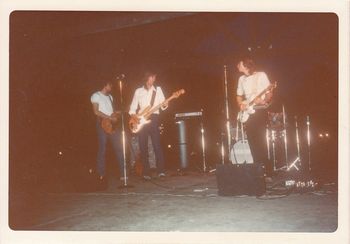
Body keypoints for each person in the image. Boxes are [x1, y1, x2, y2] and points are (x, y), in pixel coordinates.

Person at [236, 57, 273, 178]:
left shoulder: (261, 75)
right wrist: (240, 105)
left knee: (261, 141)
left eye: (240, 64)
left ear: (246, 66)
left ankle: (268, 170)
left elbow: (269, 92)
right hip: (248, 111)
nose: (237, 65)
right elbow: (239, 95)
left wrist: (263, 101)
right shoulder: (241, 79)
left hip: (259, 111)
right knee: (252, 141)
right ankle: (258, 169)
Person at [129, 71, 168, 180]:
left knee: (157, 145)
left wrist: (165, 104)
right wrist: (135, 117)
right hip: (141, 120)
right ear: (146, 78)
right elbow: (132, 108)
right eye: (151, 77)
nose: (153, 79)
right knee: (143, 146)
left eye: (154, 77)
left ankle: (161, 171)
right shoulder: (138, 91)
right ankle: (146, 172)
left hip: (154, 118)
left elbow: (163, 105)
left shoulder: (158, 90)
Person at [90, 80, 125, 186]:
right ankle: (101, 174)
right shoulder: (96, 95)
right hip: (102, 124)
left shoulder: (110, 97)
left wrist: (116, 114)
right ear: (105, 85)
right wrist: (109, 117)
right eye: (110, 85)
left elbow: (111, 112)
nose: (111, 87)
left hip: (112, 124)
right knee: (103, 148)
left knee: (118, 147)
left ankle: (123, 173)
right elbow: (96, 112)